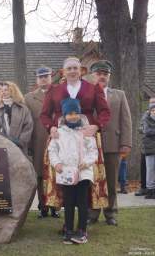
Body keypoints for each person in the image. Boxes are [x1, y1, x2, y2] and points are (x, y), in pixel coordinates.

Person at [40, 57, 110, 225]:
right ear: (63, 72)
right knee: (64, 179)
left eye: (75, 68)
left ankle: (83, 223)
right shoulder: (54, 90)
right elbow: (44, 114)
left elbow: (104, 111)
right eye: (69, 68)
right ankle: (68, 221)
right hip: (61, 138)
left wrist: (97, 126)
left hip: (86, 138)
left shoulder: (94, 89)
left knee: (85, 178)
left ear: (81, 71)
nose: (72, 71)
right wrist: (50, 127)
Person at [48, 98, 98, 245]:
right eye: (69, 114)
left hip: (83, 173)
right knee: (68, 202)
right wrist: (56, 163)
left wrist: (87, 162)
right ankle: (68, 230)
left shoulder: (86, 132)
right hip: (66, 174)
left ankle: (82, 230)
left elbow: (93, 151)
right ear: (64, 116)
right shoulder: (59, 133)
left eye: (76, 113)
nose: (73, 116)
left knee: (82, 202)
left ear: (80, 114)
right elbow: (52, 150)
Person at [88, 60, 132, 226]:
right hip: (91, 145)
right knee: (92, 181)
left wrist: (126, 143)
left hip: (113, 144)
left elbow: (126, 120)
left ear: (109, 76)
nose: (102, 77)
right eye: (99, 74)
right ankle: (92, 213)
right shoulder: (86, 94)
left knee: (112, 182)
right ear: (93, 75)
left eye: (105, 74)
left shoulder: (119, 95)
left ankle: (110, 213)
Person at [25, 66, 59, 218]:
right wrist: (29, 145)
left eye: (46, 76)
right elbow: (27, 123)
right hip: (38, 142)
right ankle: (43, 206)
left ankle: (56, 206)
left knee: (57, 173)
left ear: (51, 77)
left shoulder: (60, 93)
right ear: (37, 80)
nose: (44, 79)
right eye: (41, 77)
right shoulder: (29, 98)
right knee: (40, 175)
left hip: (59, 140)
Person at [0, 81, 33, 156]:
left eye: (6, 90)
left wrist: (20, 142)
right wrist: (5, 141)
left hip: (20, 147)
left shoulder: (23, 109)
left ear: (13, 91)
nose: (3, 92)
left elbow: (28, 126)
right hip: (3, 148)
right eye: (2, 91)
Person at [135, 97, 155, 196]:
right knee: (144, 166)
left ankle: (151, 188)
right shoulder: (146, 114)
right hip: (146, 145)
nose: (152, 104)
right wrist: (144, 130)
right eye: (151, 102)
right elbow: (140, 128)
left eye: (154, 102)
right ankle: (144, 188)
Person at [141, 103, 155, 199]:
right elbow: (146, 131)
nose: (154, 112)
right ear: (149, 111)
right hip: (150, 148)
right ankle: (150, 190)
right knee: (150, 169)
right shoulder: (146, 119)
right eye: (153, 110)